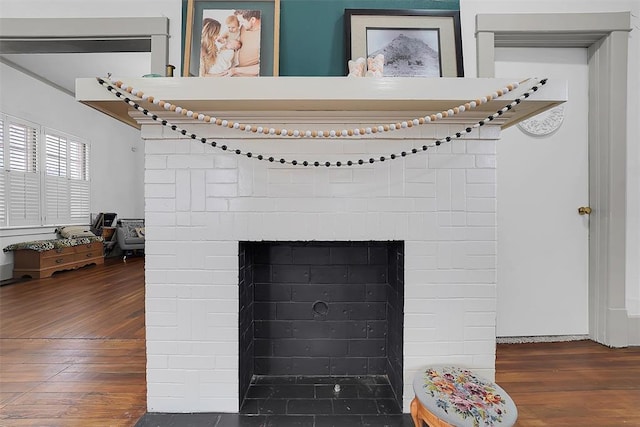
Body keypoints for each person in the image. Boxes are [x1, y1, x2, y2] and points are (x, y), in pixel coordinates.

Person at [220, 9, 261, 77]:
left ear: (253, 19)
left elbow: (263, 67)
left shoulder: (264, 35)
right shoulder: (243, 27)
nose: (241, 24)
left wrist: (236, 70)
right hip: (232, 69)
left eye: (242, 21)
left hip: (245, 76)